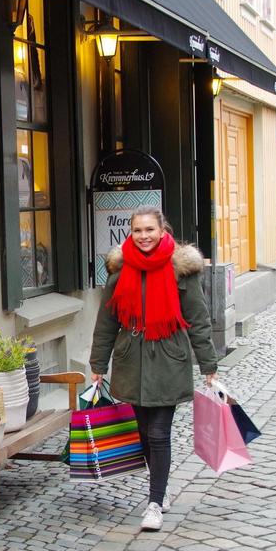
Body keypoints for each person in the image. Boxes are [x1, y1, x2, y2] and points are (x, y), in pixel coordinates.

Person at [89, 206, 218, 531]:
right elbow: (106, 322)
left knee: (159, 433)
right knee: (144, 433)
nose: (144, 236)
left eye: (150, 230)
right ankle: (162, 485)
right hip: (131, 360)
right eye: (138, 231)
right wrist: (98, 364)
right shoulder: (118, 274)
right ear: (130, 233)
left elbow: (199, 321)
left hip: (168, 360)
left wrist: (208, 365)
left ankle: (154, 503)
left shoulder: (182, 271)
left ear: (163, 231)